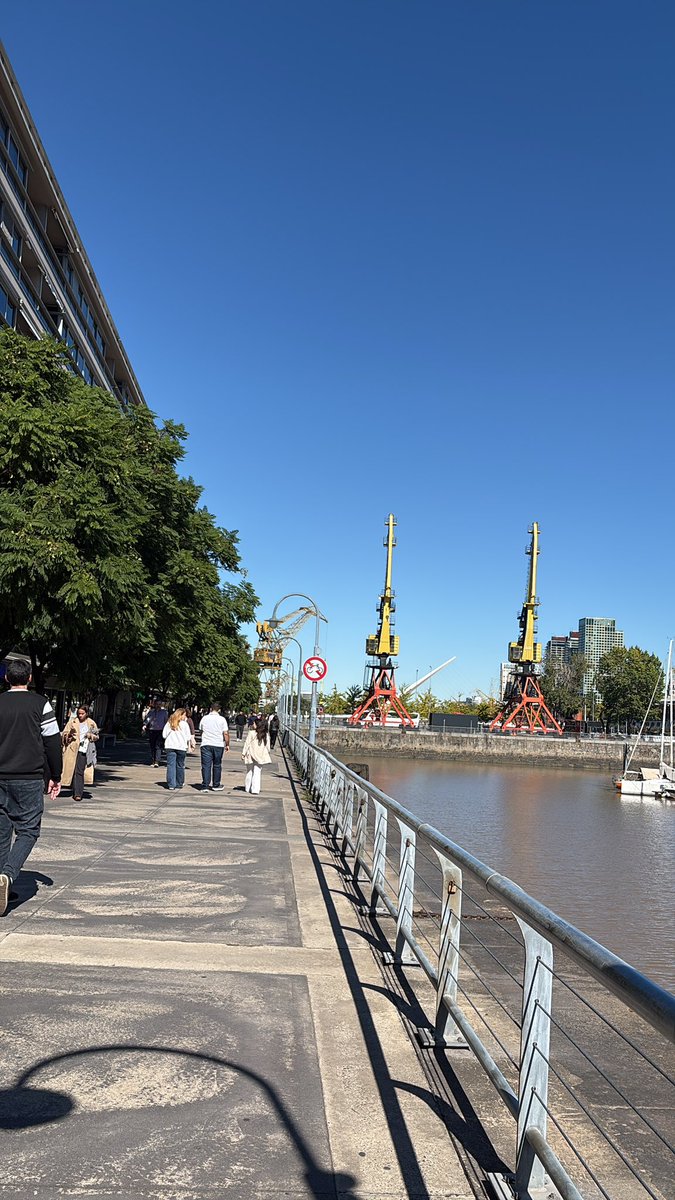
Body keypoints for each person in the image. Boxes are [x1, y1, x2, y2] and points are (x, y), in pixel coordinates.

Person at [0, 659, 62, 915]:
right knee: (28, 830)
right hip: (28, 776)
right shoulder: (41, 704)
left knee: (2, 832)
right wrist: (56, 775)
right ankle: (7, 875)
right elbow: (52, 741)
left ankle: (2, 884)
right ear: (29, 679)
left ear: (6, 679)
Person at [62, 706, 99, 801]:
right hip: (73, 749)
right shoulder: (72, 722)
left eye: (82, 713)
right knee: (72, 770)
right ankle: (73, 788)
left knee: (79, 771)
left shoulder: (91, 723)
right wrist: (69, 735)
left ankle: (78, 793)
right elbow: (64, 734)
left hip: (85, 750)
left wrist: (91, 736)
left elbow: (97, 736)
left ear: (86, 713)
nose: (80, 715)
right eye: (79, 713)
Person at [198, 702, 230, 791]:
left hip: (206, 744)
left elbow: (201, 730)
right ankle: (216, 784)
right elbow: (226, 733)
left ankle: (205, 785)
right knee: (217, 765)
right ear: (219, 710)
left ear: (211, 709)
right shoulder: (222, 719)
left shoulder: (204, 718)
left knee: (206, 765)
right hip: (218, 744)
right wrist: (227, 744)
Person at [162, 708, 194, 790]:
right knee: (180, 765)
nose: (185, 717)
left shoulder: (169, 723)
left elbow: (164, 735)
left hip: (170, 746)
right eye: (184, 715)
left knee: (171, 765)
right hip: (181, 747)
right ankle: (179, 783)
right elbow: (188, 737)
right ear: (181, 715)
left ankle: (171, 784)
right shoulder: (184, 724)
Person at [241, 717, 272, 795]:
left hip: (250, 754)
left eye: (254, 723)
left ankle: (247, 787)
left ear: (257, 725)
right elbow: (268, 747)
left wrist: (243, 753)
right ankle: (255, 789)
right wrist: (267, 752)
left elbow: (247, 743)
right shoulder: (265, 734)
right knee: (257, 772)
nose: (253, 724)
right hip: (260, 755)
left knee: (249, 771)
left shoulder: (251, 733)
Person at [143, 699, 168, 767]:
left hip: (160, 731)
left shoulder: (164, 712)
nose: (158, 706)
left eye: (159, 704)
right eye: (157, 704)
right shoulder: (151, 712)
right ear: (154, 704)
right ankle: (153, 760)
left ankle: (157, 761)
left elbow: (166, 721)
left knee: (158, 746)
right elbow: (147, 719)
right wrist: (144, 725)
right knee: (152, 746)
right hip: (152, 730)